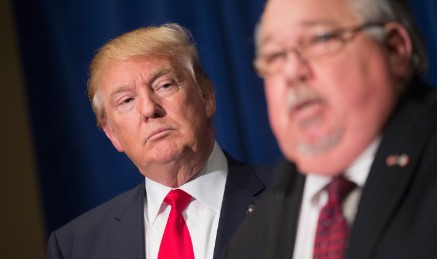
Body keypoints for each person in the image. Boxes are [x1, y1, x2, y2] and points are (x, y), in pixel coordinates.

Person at [222, 0, 437, 258]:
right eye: (275, 56)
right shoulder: (250, 240)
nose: (291, 72)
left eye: (320, 39)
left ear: (394, 48)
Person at [46, 23, 272, 259]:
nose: (149, 109)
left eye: (164, 85)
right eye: (126, 101)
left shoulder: (292, 198)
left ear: (206, 97)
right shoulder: (74, 247)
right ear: (112, 134)